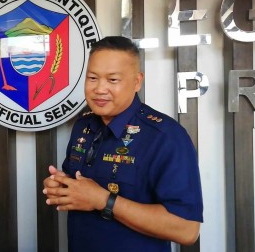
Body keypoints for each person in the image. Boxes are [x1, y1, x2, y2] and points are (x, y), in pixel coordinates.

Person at [43, 36, 203, 251]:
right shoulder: (84, 126)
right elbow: (80, 188)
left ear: (137, 81)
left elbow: (186, 229)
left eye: (113, 80)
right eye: (92, 78)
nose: (100, 89)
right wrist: (62, 187)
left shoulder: (165, 136)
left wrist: (103, 200)